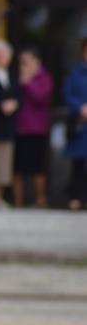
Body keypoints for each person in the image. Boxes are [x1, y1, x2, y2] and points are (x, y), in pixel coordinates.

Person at [12, 47, 53, 208]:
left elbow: (40, 98)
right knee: (18, 167)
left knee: (37, 167)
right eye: (21, 62)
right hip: (19, 128)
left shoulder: (44, 77)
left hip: (36, 129)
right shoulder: (18, 78)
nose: (22, 65)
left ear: (36, 62)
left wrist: (28, 83)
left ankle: (40, 199)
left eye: (26, 61)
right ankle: (18, 200)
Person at [0, 39, 19, 209]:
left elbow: (18, 94)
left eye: (6, 55)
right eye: (0, 54)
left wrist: (15, 103)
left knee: (4, 162)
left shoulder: (10, 75)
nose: (3, 57)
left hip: (8, 124)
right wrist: (1, 105)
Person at [63, 39, 87, 210]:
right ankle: (75, 198)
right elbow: (67, 94)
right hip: (80, 125)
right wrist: (80, 107)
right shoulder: (75, 72)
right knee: (78, 164)